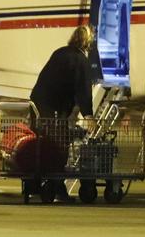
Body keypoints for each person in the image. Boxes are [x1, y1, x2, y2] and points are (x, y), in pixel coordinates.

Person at [30, 25, 94, 202]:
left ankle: (35, 183)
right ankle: (56, 186)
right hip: (52, 107)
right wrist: (88, 115)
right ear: (87, 42)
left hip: (38, 101)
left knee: (41, 142)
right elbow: (83, 90)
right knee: (60, 144)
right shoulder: (81, 60)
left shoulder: (60, 52)